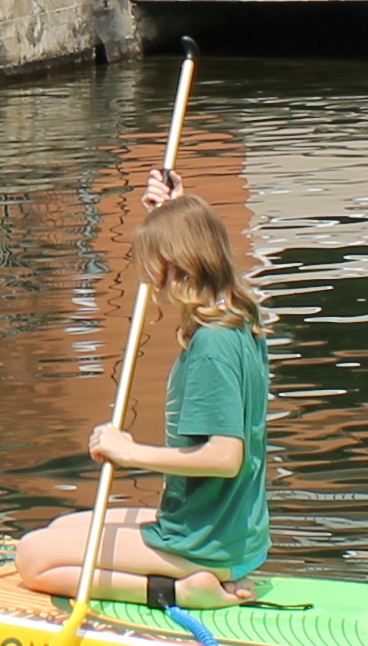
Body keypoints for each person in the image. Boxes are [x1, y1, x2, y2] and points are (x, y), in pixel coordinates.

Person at [14, 164, 274, 609]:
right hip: (223, 529)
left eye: (154, 268)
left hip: (205, 541)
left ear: (178, 267)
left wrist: (126, 451)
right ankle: (198, 572)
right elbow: (202, 242)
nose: (151, 283)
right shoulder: (239, 313)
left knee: (32, 557)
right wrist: (171, 212)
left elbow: (225, 457)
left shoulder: (211, 346)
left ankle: (182, 591)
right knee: (61, 531)